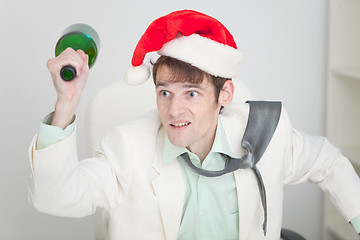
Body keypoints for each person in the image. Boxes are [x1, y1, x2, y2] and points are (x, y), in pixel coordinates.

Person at [28, 10, 360, 239]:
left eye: (191, 93)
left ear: (224, 94)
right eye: (165, 92)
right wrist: (66, 102)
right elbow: (55, 198)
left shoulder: (265, 133)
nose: (174, 110)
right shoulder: (127, 149)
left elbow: (328, 163)